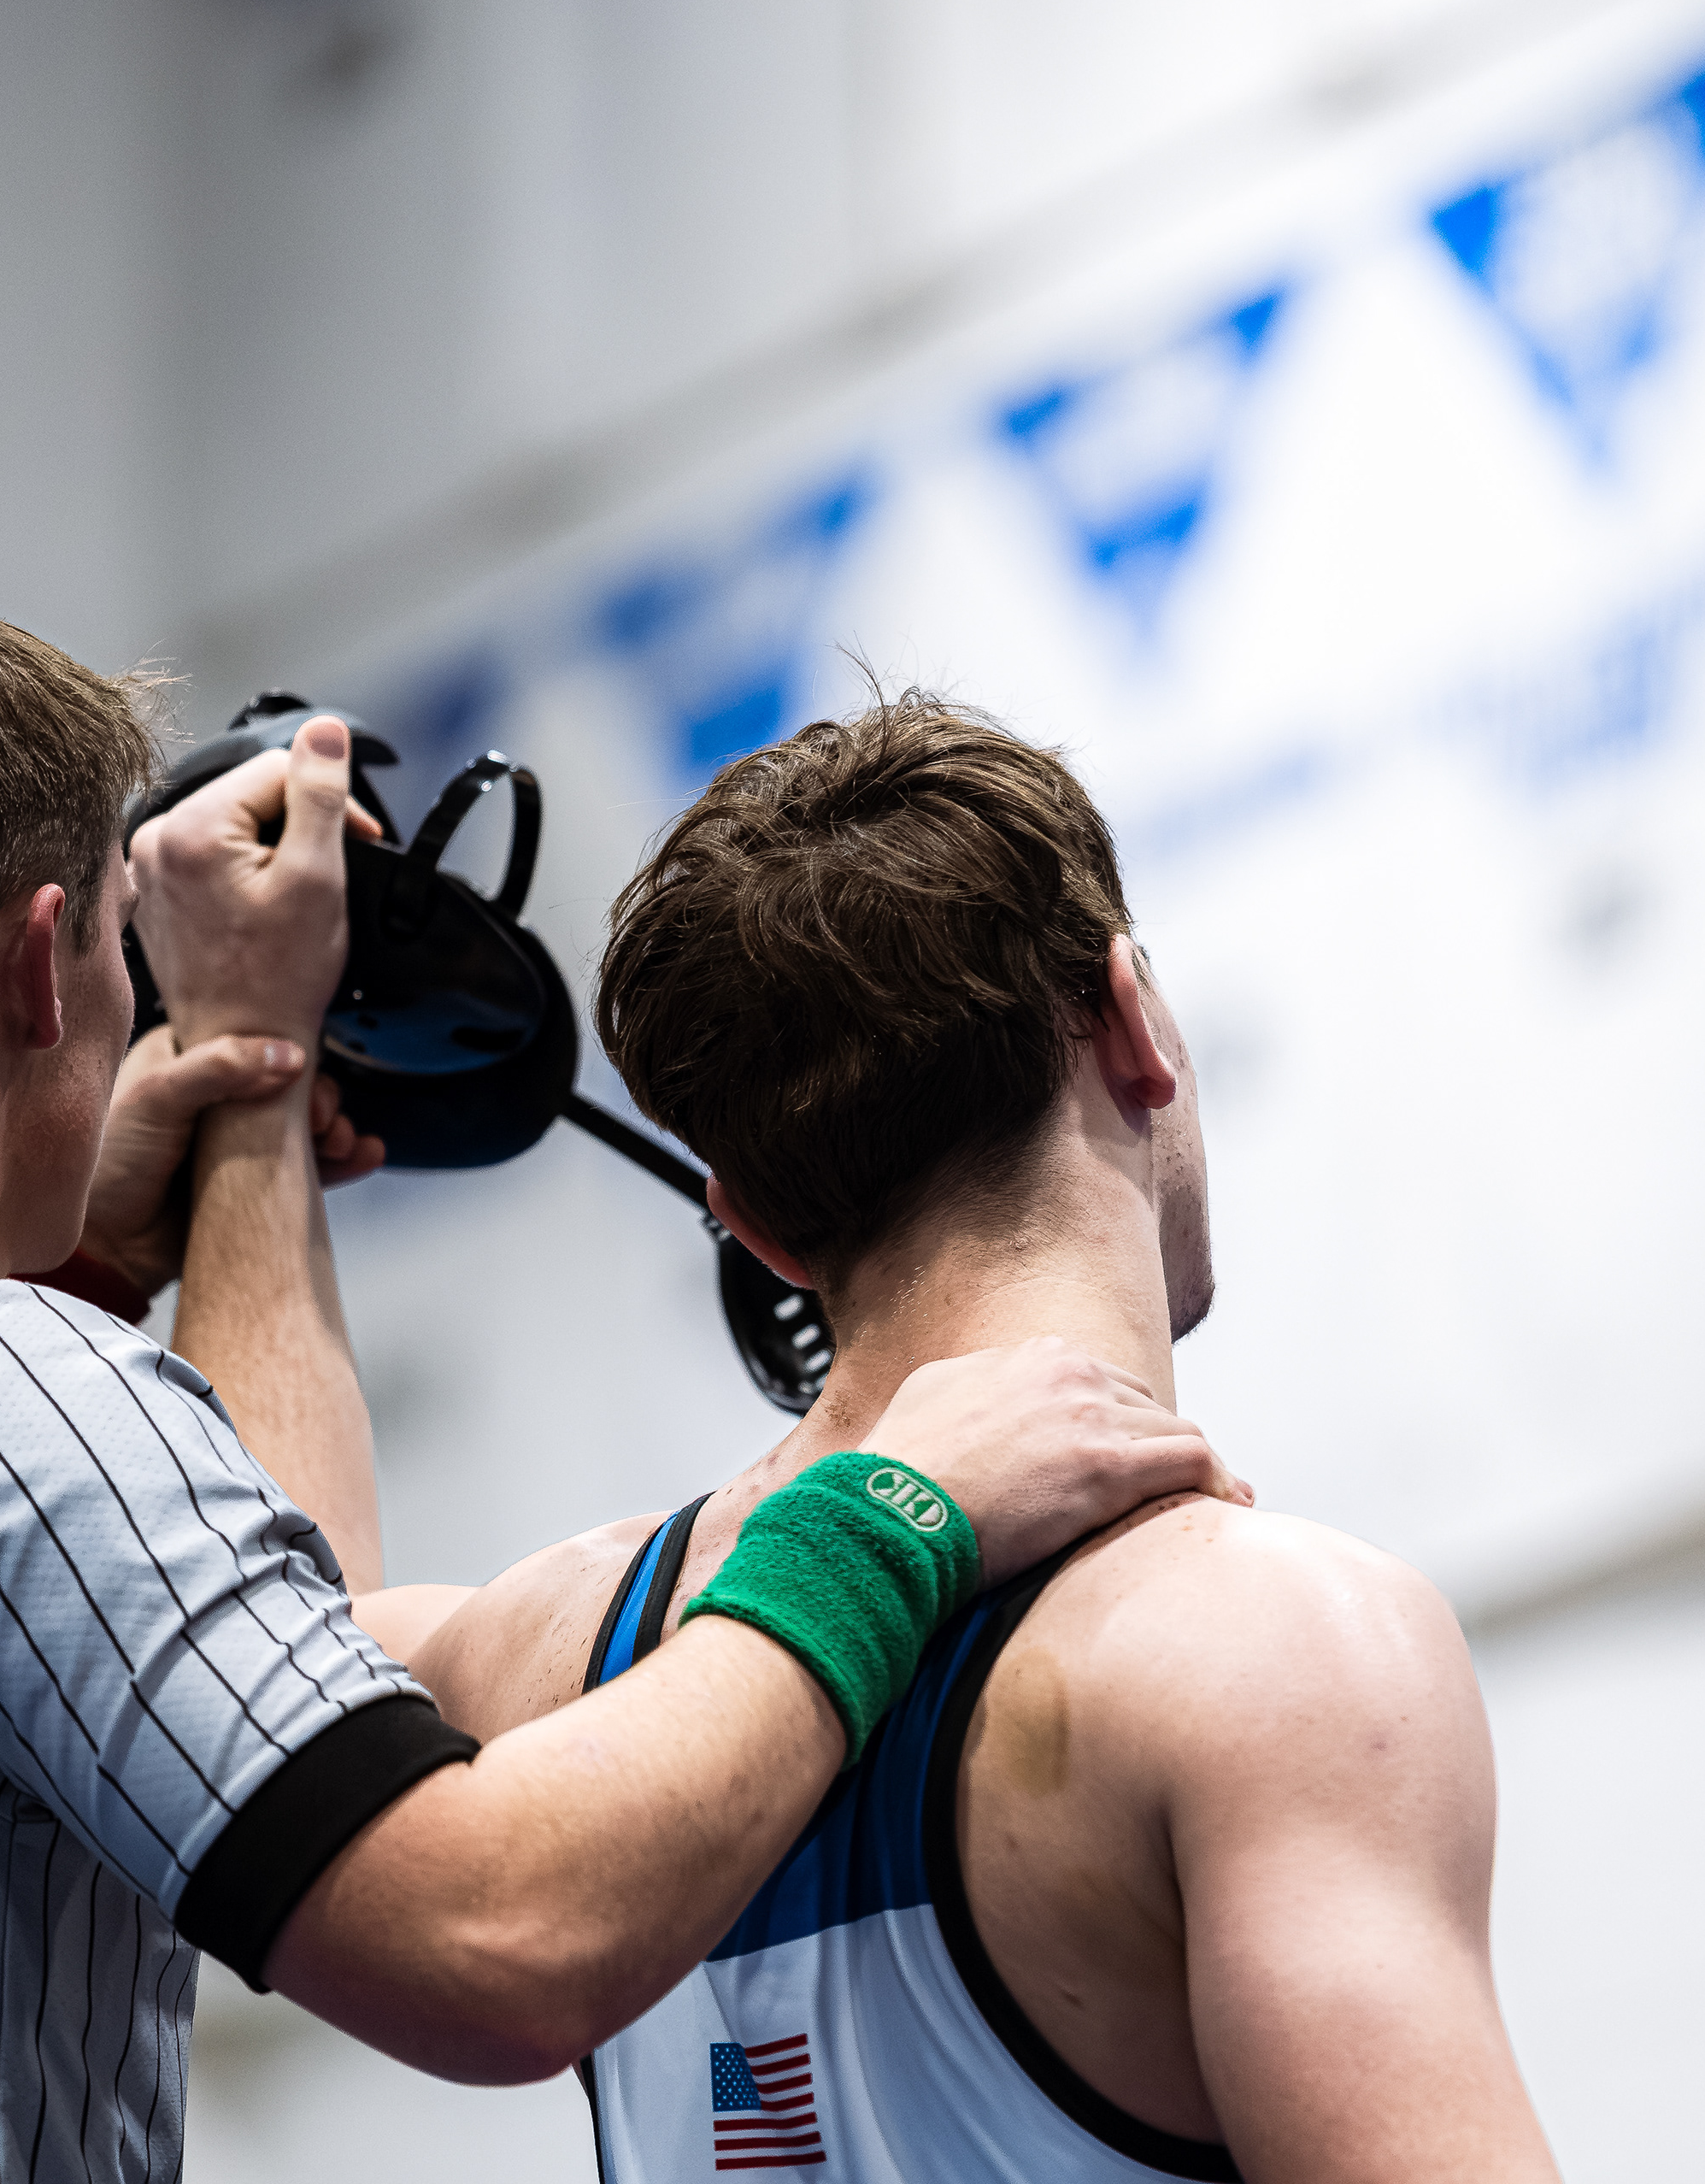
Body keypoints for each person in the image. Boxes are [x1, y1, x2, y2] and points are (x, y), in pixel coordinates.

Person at [0, 580, 1236, 2184]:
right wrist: (888, 1513)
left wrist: (187, 1168)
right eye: (120, 956)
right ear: (43, 965)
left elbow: (153, 1639)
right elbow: (492, 1937)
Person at [357, 696, 1563, 2181]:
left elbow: (251, 1632)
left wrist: (245, 1094)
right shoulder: (1275, 1646)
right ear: (1131, 1020)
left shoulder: (547, 1652)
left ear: (756, 1227)